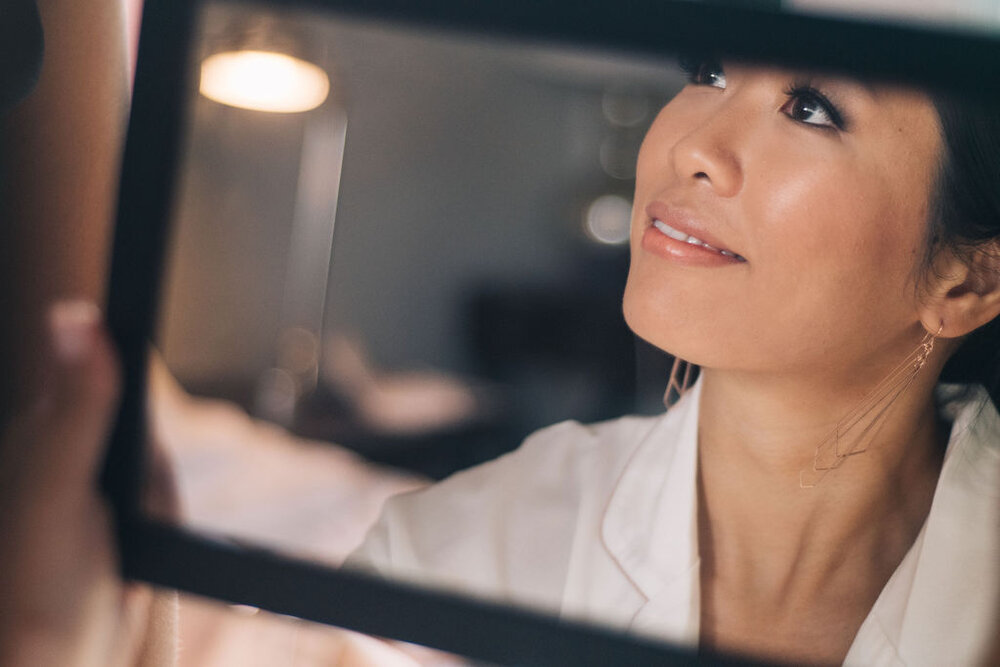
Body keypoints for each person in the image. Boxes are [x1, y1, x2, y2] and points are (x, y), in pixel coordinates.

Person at [347, 60, 1000, 665]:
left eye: (810, 109)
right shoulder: (444, 568)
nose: (693, 146)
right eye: (710, 71)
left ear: (969, 280)